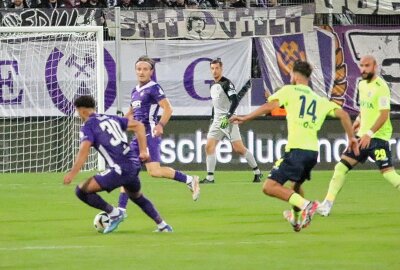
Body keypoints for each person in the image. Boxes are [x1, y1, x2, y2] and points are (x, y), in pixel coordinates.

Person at [230, 60, 359, 232]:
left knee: (269, 187)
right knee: (296, 187)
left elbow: (270, 105)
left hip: (296, 150)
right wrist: (351, 138)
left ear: (295, 75)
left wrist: (246, 118)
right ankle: (297, 220)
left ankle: (308, 206)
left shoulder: (289, 91)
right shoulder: (318, 99)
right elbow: (343, 114)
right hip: (312, 153)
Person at [63, 95, 172, 234]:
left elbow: (84, 151)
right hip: (134, 165)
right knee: (137, 197)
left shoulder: (88, 126)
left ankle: (114, 213)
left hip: (120, 169)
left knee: (81, 191)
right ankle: (163, 225)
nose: (78, 115)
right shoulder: (110, 118)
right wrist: (143, 151)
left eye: (77, 111)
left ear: (83, 111)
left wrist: (72, 173)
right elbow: (138, 126)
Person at [317, 55, 400, 216]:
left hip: (378, 139)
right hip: (362, 138)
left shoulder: (381, 86)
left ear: (375, 67)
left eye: (367, 66)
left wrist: (369, 133)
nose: (363, 69)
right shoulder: (362, 85)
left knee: (389, 174)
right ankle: (327, 205)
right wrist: (359, 120)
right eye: (361, 66)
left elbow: (383, 115)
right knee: (340, 167)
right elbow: (366, 108)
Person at [117, 56, 200, 215]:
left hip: (150, 133)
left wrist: (161, 125)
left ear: (151, 72)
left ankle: (190, 180)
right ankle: (120, 210)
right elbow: (131, 113)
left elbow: (168, 108)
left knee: (154, 171)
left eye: (145, 69)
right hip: (138, 136)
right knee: (127, 171)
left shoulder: (154, 88)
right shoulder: (135, 91)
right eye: (139, 69)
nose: (141, 72)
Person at [200, 58, 263, 184]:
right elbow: (216, 105)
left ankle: (257, 172)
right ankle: (210, 177)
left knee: (239, 149)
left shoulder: (226, 84)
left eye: (217, 68)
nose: (214, 71)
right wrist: (213, 119)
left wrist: (228, 116)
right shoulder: (212, 85)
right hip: (217, 121)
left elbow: (234, 100)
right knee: (209, 146)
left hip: (229, 120)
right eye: (212, 68)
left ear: (221, 69)